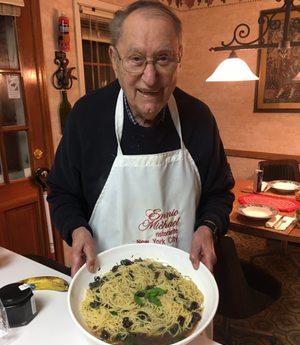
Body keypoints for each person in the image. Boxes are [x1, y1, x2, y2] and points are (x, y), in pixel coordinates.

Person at [47, 0, 235, 277]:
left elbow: (219, 193)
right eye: (136, 59)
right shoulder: (87, 117)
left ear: (178, 56)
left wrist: (209, 225)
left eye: (163, 58)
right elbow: (62, 192)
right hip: (107, 282)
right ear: (114, 59)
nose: (150, 77)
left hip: (185, 281)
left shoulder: (199, 118)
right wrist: (76, 229)